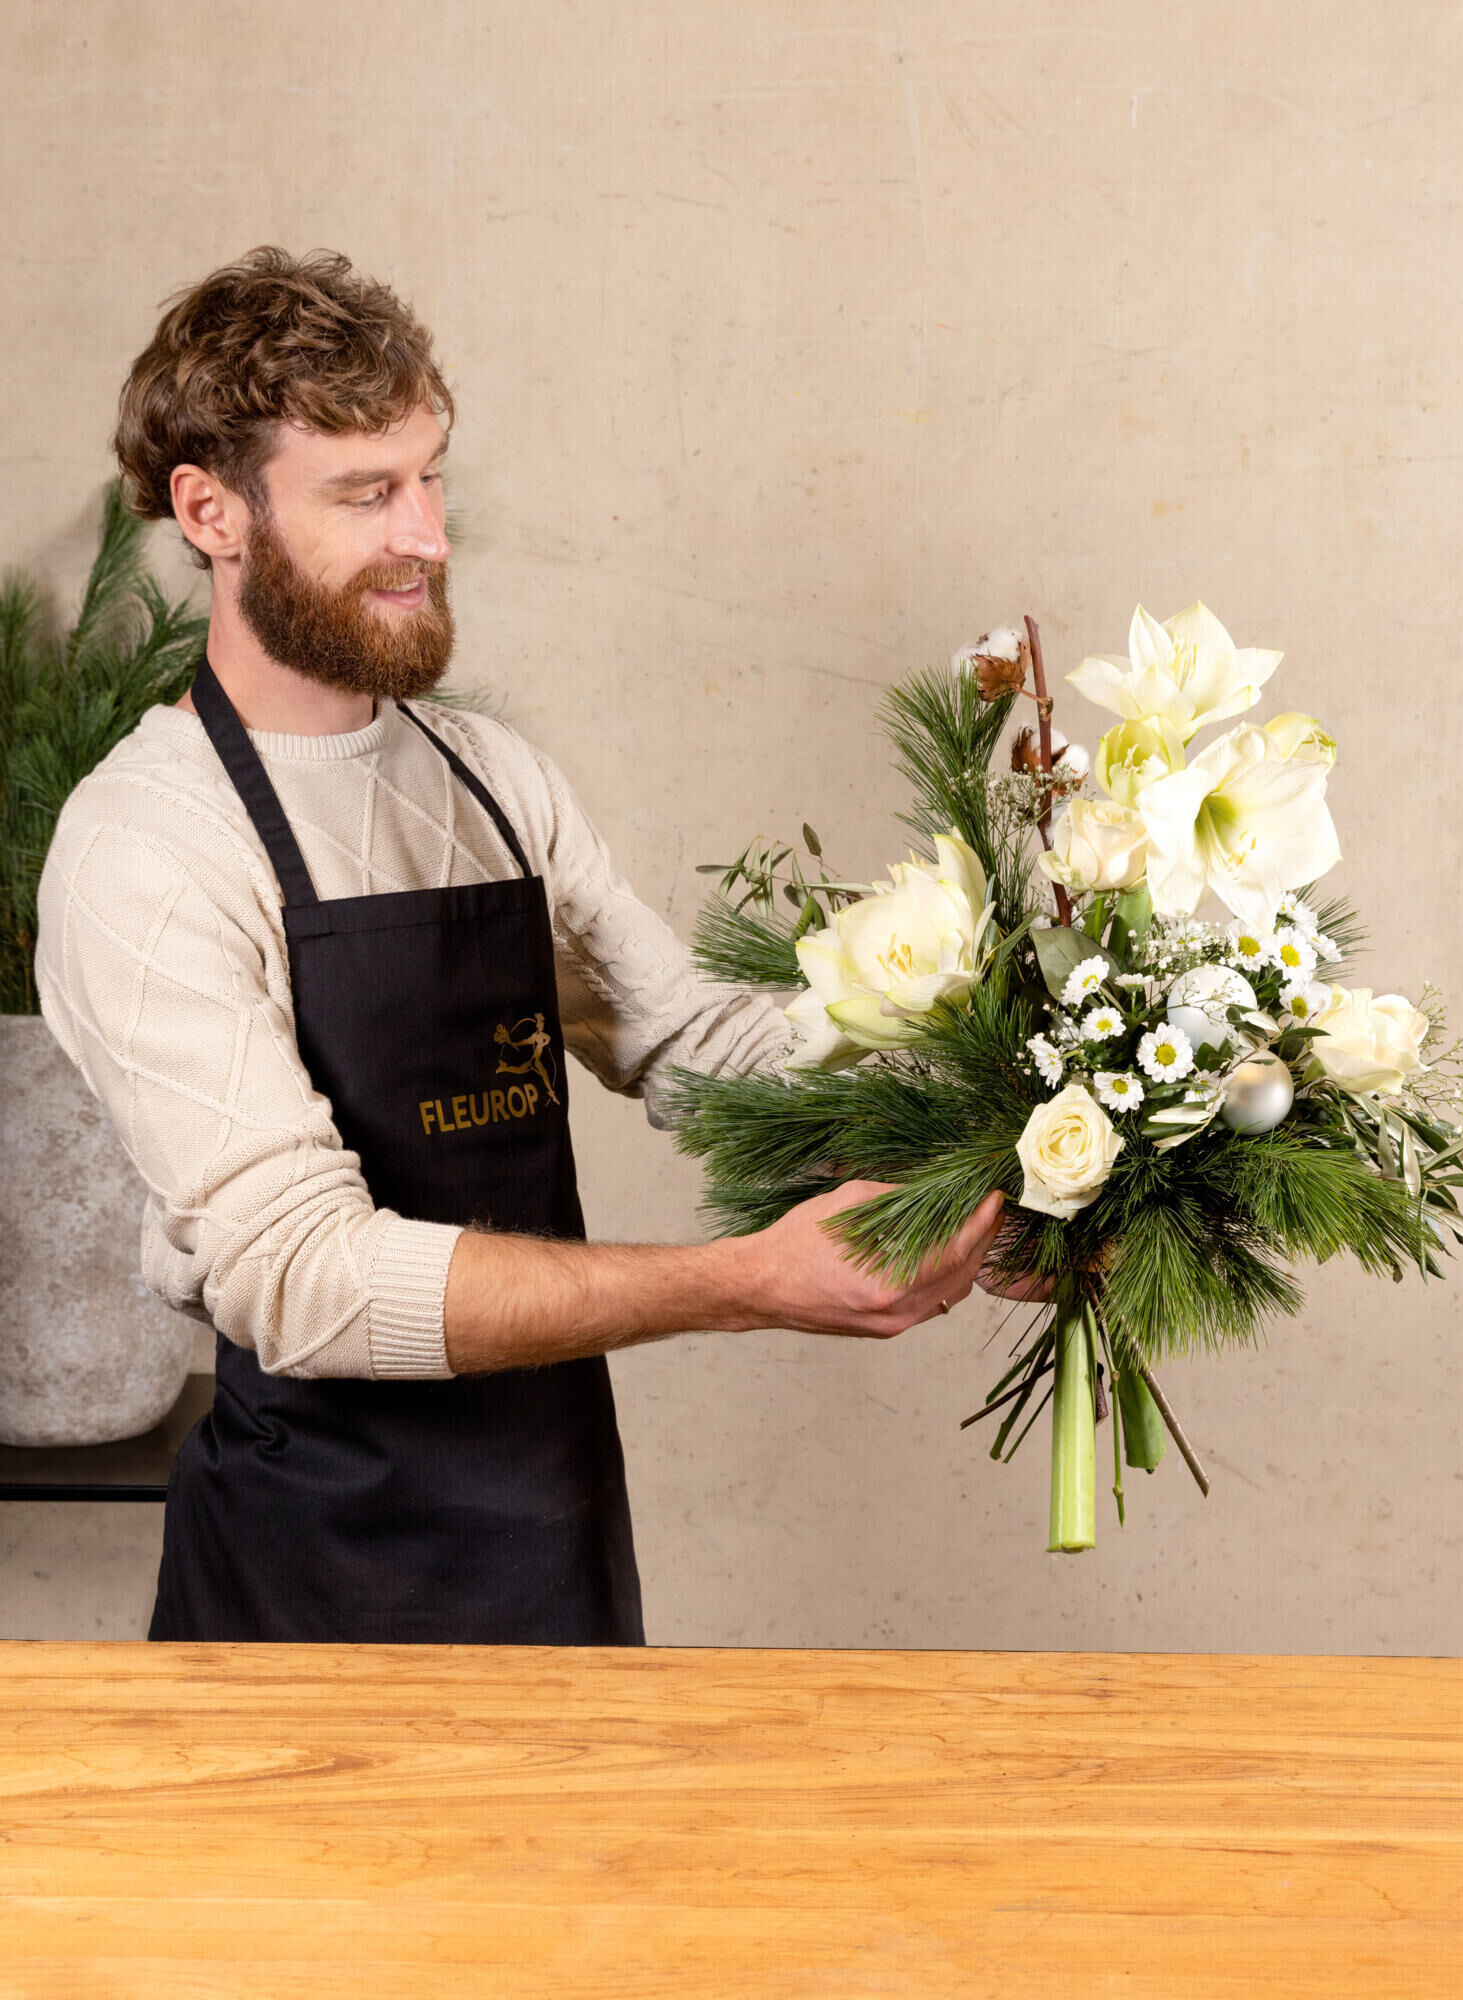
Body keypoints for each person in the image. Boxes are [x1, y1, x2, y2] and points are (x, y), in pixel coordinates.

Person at [35, 247, 1012, 1646]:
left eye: (429, 475)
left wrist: (1007, 1143)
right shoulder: (150, 839)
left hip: (553, 1536)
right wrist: (737, 1285)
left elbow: (693, 1046)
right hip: (312, 1584)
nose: (427, 536)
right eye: (365, 494)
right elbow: (302, 1277)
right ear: (212, 511)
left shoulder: (487, 779)